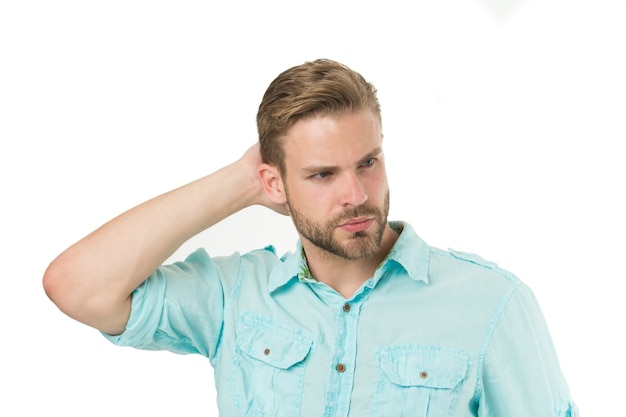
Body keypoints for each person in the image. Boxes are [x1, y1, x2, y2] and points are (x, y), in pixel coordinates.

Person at [43, 58, 578, 416]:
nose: (356, 193)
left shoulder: (492, 304)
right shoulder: (236, 298)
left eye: (368, 162)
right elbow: (77, 286)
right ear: (274, 182)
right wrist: (238, 182)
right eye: (322, 174)